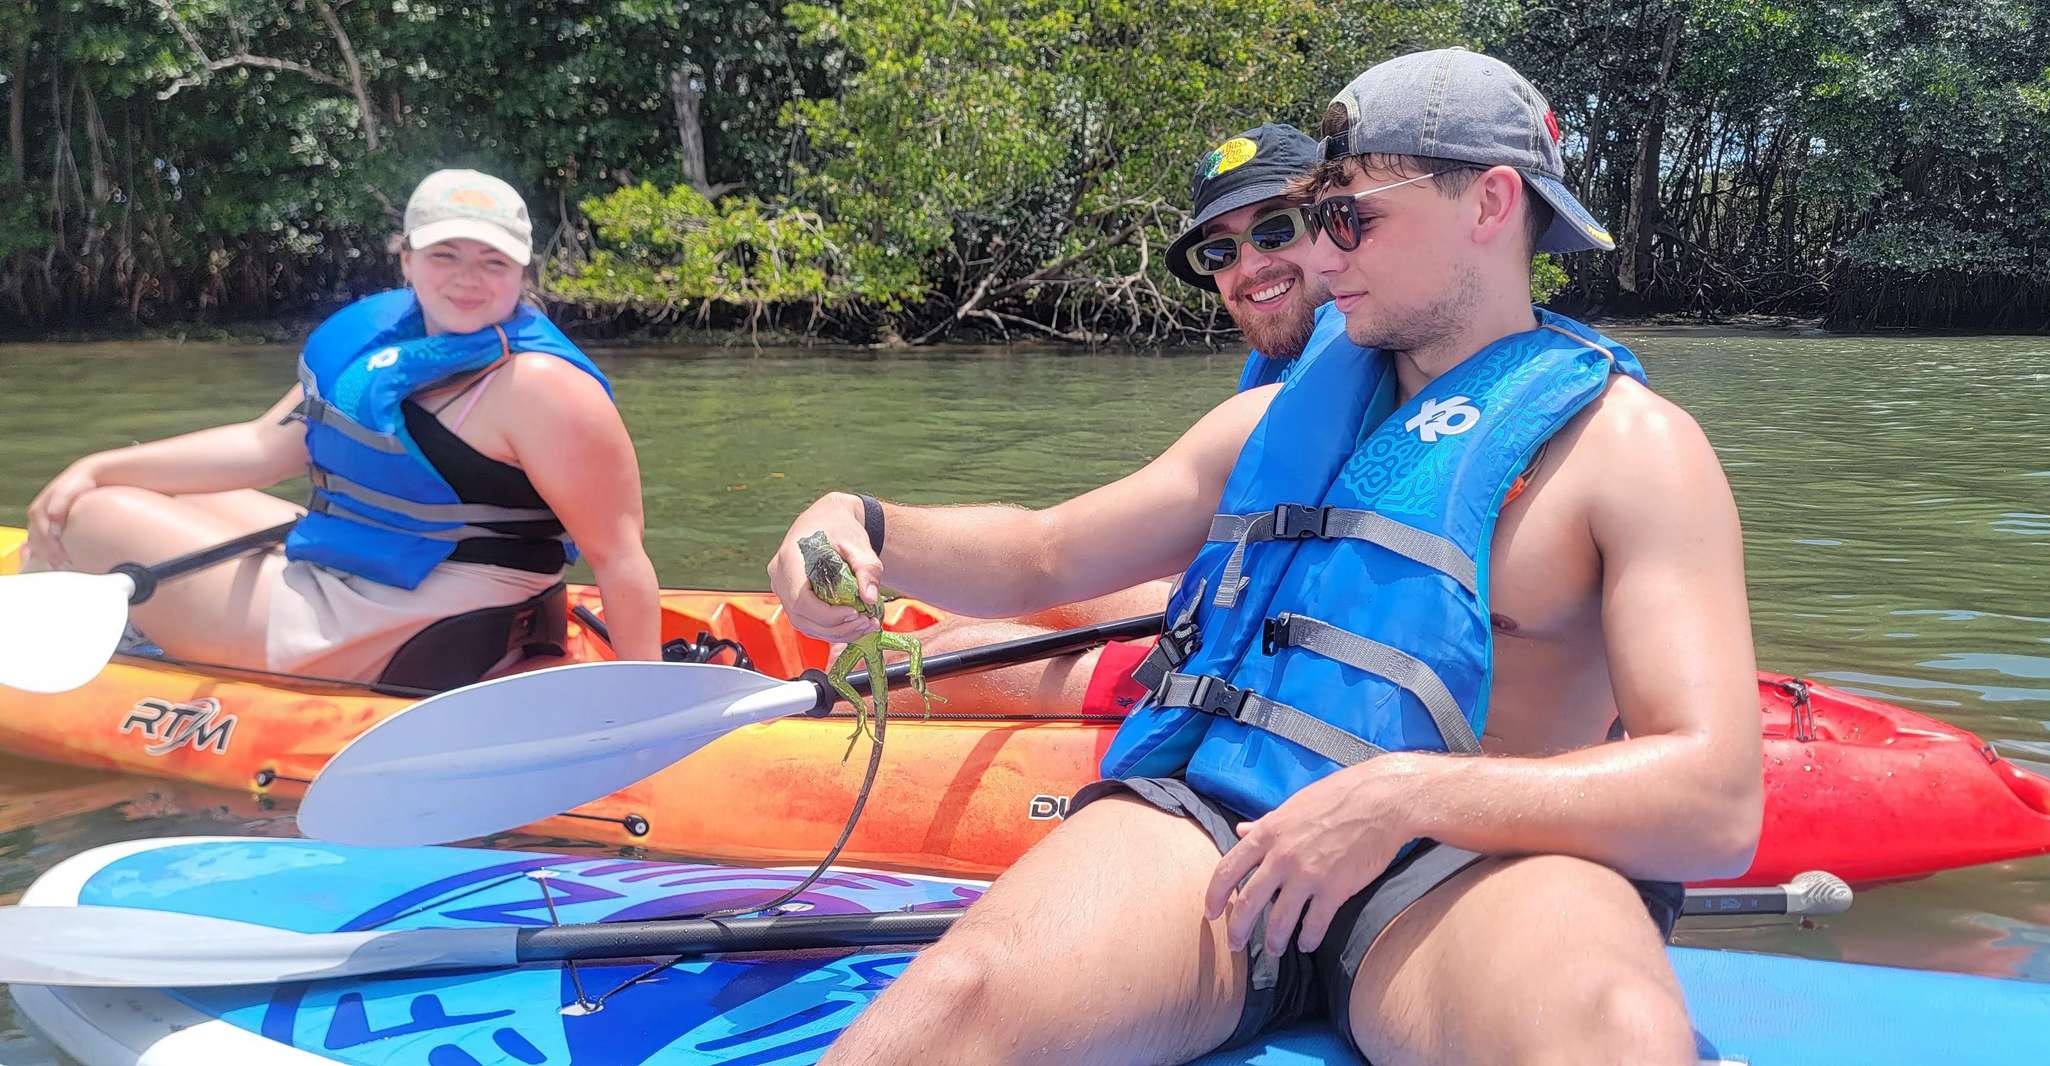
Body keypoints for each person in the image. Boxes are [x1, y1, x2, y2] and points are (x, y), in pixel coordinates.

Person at [768, 48, 1762, 1065]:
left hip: (1470, 869)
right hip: (1222, 836)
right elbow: (1042, 552)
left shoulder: (1632, 451)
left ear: (1490, 203)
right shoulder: (1269, 420)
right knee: (945, 1014)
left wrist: (1400, 798)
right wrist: (856, 521)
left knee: (1613, 1035)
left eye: (1351, 218)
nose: (1320, 264)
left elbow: (1716, 800)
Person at [24, 169, 661, 683]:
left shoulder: (543, 387)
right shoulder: (381, 346)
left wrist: (648, 712)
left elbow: (620, 557)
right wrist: (93, 465)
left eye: (493, 262)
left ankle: (115, 622)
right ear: (406, 262)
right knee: (124, 490)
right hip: (377, 575)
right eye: (445, 254)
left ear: (522, 274)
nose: (468, 279)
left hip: (430, 628)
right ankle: (120, 602)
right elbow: (262, 446)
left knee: (93, 518)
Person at [914, 123, 1343, 716]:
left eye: (1274, 230)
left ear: (1335, 221)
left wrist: (870, 528)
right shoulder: (1282, 361)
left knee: (954, 654)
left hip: (1266, 683)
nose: (1250, 266)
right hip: (1239, 628)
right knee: (964, 625)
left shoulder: (1332, 377)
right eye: (1220, 251)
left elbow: (1048, 552)